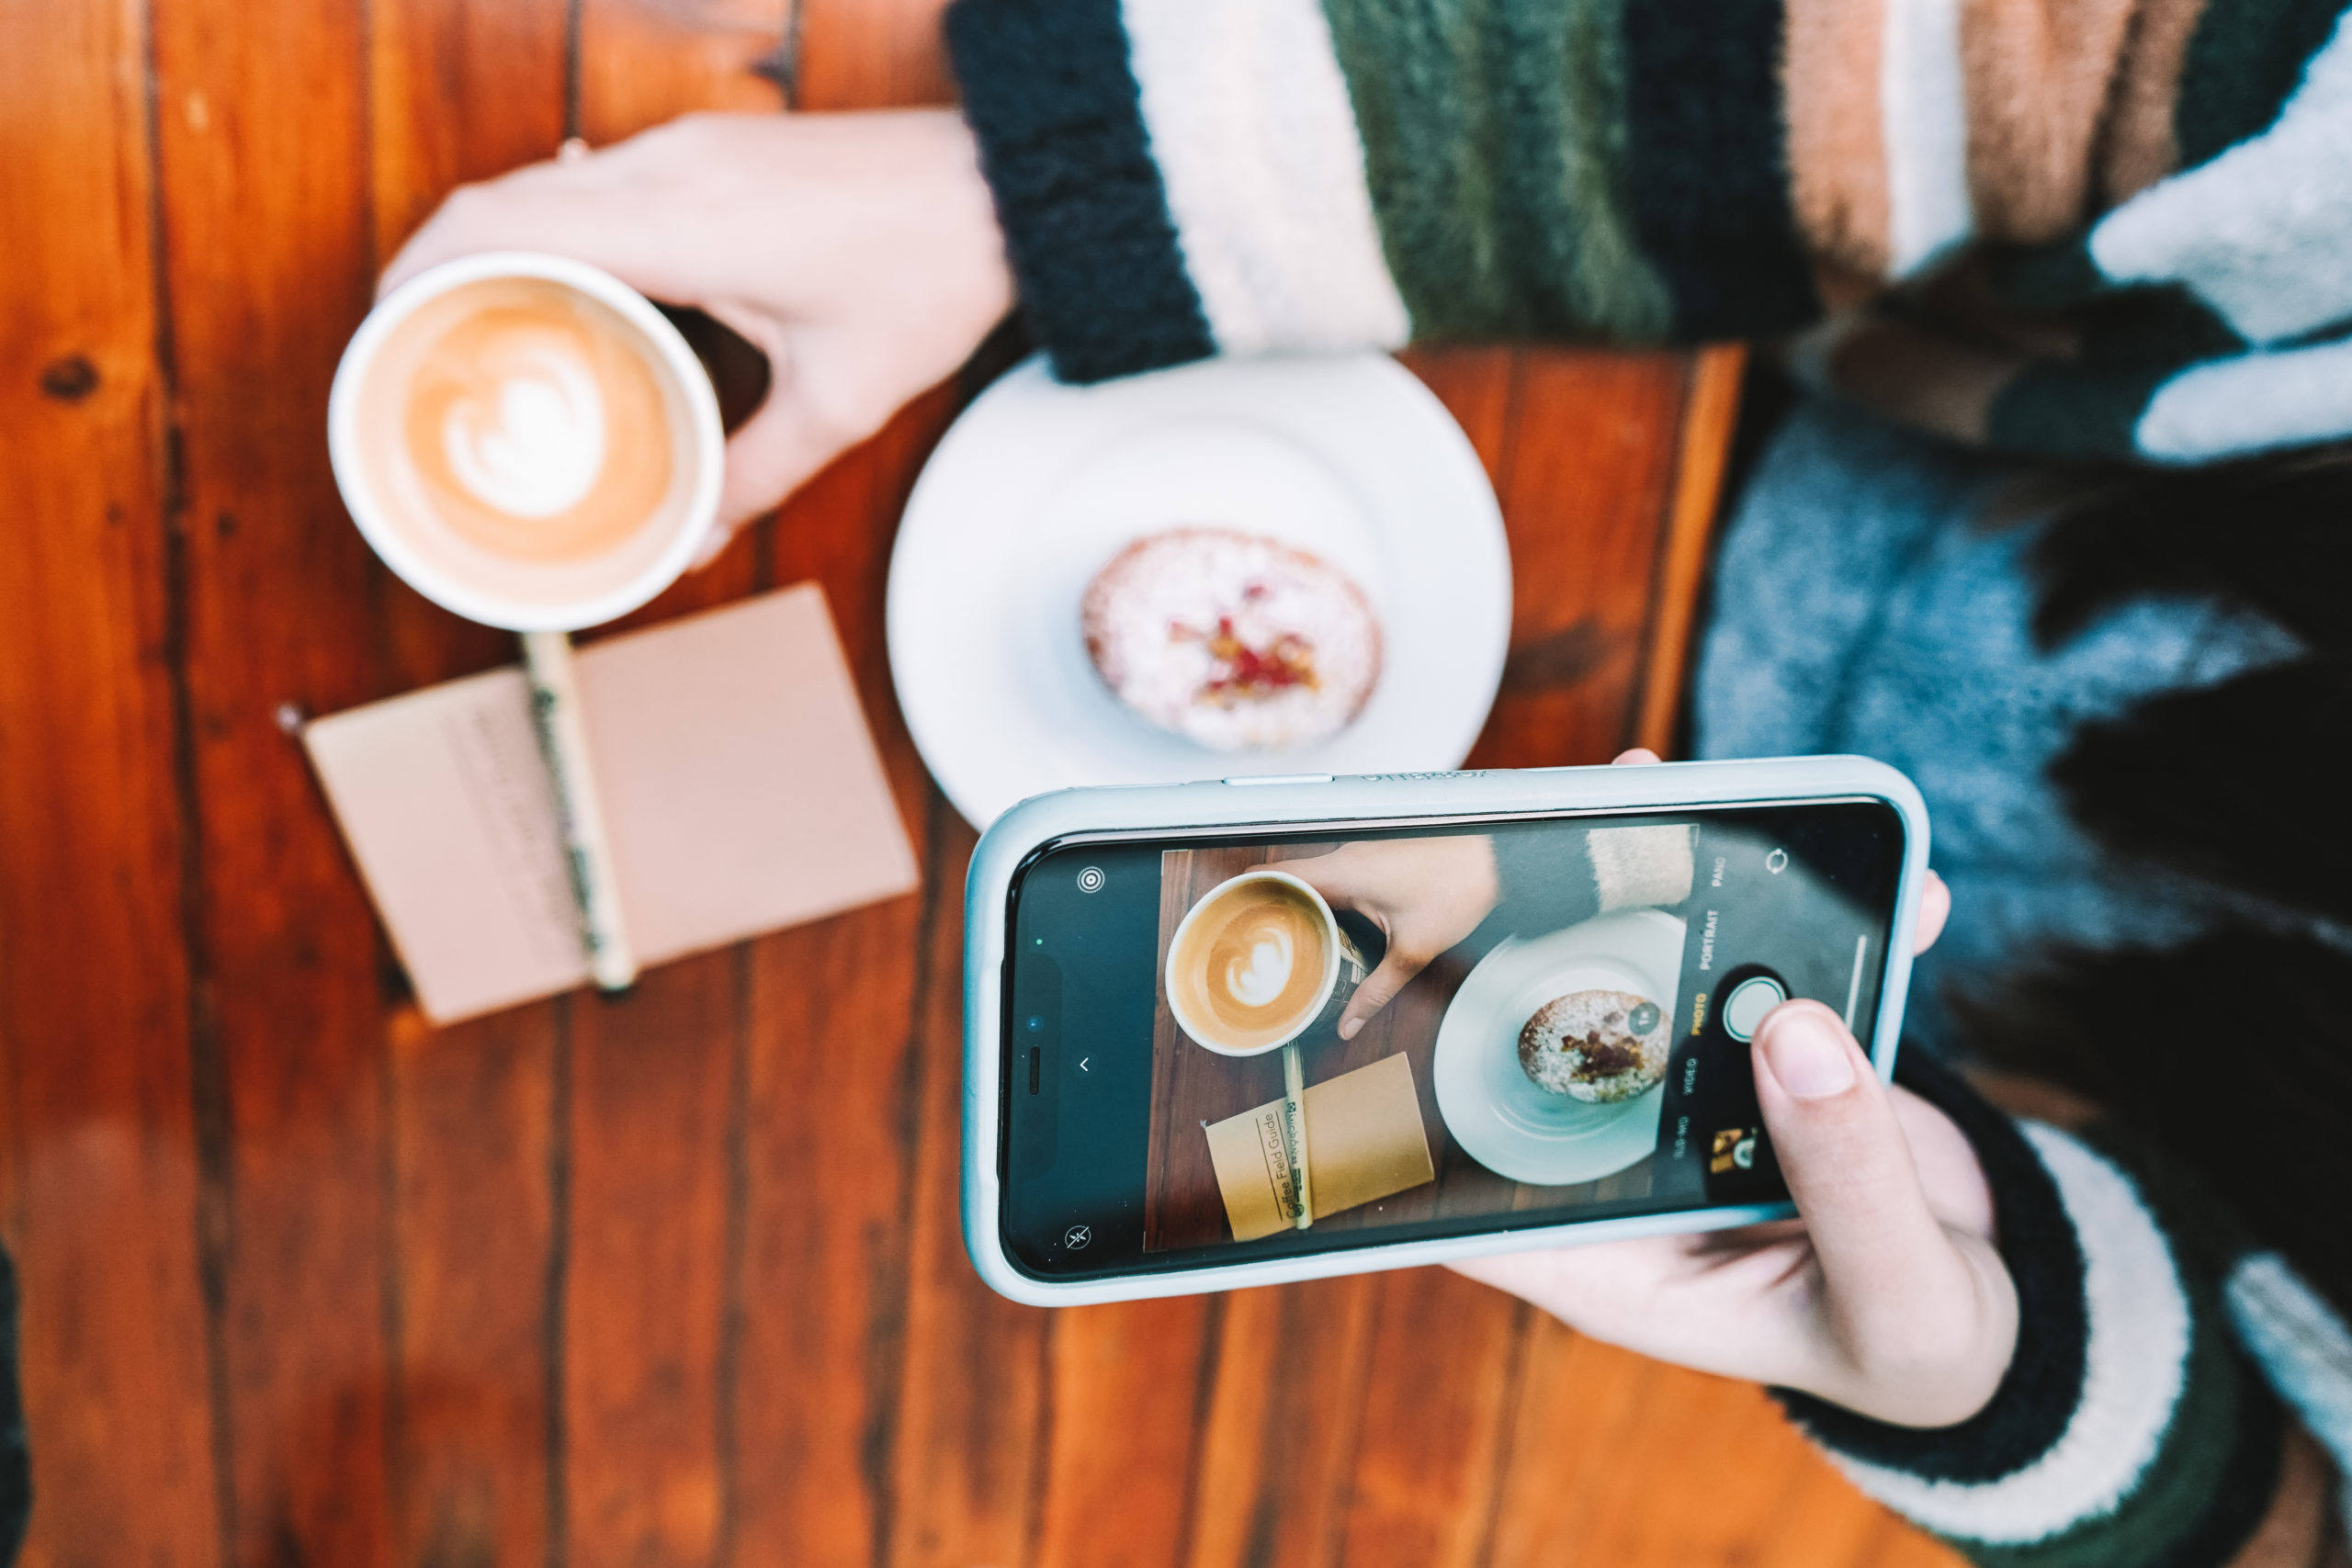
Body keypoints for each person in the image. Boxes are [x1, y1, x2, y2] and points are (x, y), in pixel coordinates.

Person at [386, 1, 2352, 1560]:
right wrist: (1047, 183)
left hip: (1730, 979)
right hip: (1730, 339)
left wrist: (2000, 1378)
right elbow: (2086, 48)